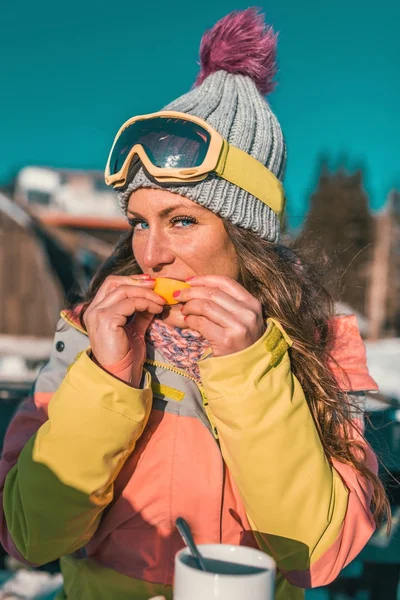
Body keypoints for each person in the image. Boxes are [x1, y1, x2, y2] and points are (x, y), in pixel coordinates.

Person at [0, 8, 390, 600]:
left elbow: (320, 555)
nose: (150, 254)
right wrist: (106, 380)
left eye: (181, 221)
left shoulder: (319, 347)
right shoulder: (91, 337)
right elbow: (30, 536)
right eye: (138, 222)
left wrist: (250, 372)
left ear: (245, 234)